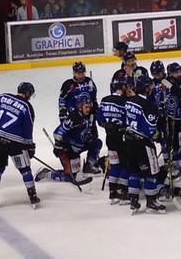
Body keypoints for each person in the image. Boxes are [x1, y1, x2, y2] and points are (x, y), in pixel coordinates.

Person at [0, 83, 40, 209]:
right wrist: (30, 146)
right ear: (28, 93)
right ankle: (33, 196)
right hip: (15, 142)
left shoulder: (3, 97)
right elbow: (27, 129)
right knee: (25, 169)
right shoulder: (27, 107)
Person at [36, 95, 100, 184]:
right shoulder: (74, 118)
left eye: (89, 107)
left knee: (97, 143)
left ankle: (89, 166)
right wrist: (59, 145)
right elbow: (57, 132)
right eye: (86, 107)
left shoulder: (89, 115)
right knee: (70, 177)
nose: (88, 109)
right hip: (68, 150)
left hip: (78, 147)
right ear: (80, 107)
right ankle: (46, 174)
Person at [125, 76, 165, 214]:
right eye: (150, 86)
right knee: (151, 173)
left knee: (134, 171)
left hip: (129, 141)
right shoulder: (149, 106)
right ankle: (151, 201)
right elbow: (151, 131)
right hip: (143, 144)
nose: (152, 88)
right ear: (146, 88)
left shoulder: (129, 102)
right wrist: (161, 138)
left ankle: (133, 200)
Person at [97, 73, 130, 204]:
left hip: (109, 138)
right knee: (125, 164)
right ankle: (122, 192)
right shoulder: (125, 102)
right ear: (122, 87)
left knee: (115, 165)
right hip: (121, 138)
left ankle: (112, 193)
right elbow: (128, 121)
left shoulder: (104, 100)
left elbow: (100, 120)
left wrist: (107, 125)